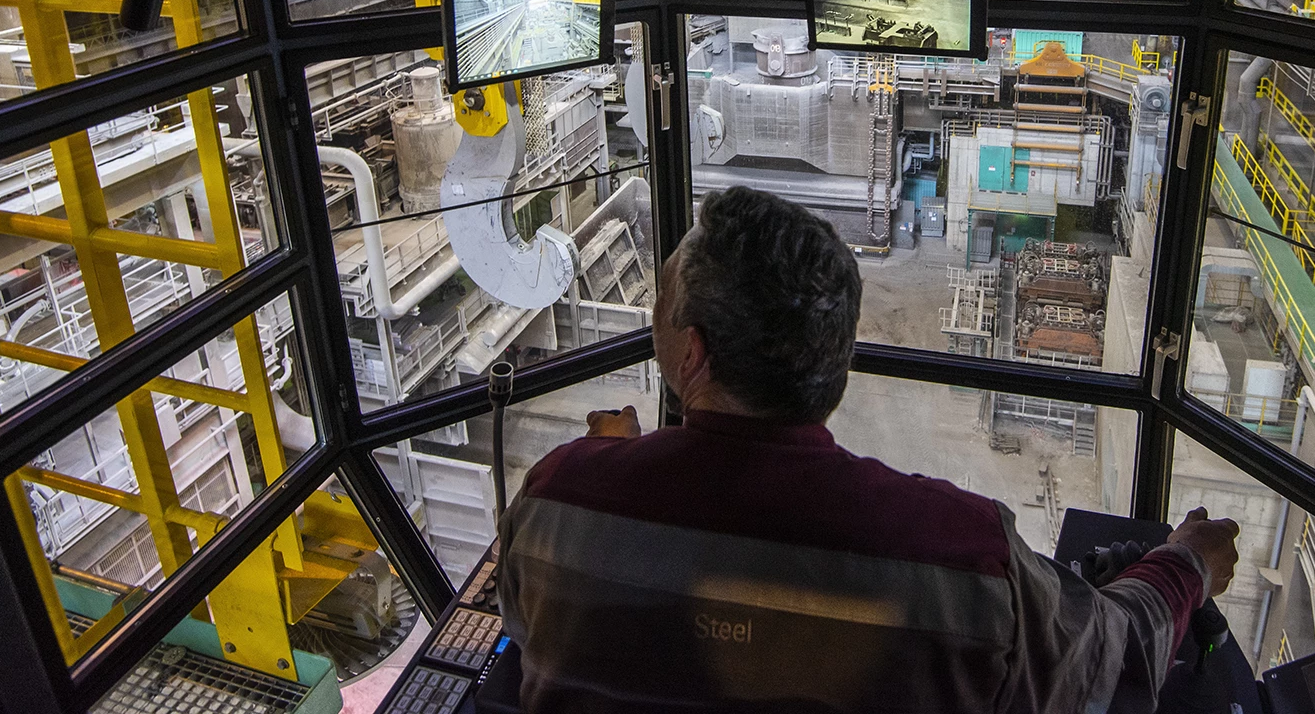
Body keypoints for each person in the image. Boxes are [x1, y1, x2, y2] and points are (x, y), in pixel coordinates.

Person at [497, 186, 1239, 713]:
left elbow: (528, 639)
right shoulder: (964, 553)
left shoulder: (556, 501)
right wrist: (1186, 566)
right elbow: (1110, 660)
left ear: (691, 355)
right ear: (835, 363)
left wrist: (605, 470)